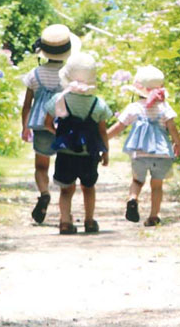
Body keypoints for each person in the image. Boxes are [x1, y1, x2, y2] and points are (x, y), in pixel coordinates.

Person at [44, 52, 112, 234]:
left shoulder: (60, 99)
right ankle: (89, 221)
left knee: (66, 190)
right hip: (88, 154)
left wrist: (61, 135)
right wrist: (105, 152)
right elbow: (102, 131)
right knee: (88, 188)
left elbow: (47, 123)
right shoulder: (98, 104)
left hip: (66, 153)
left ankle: (65, 221)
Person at [107, 65, 180, 227]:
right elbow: (172, 127)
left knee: (137, 180)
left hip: (140, 152)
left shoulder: (134, 107)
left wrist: (104, 138)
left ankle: (133, 199)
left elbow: (119, 126)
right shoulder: (164, 107)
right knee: (157, 185)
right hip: (161, 153)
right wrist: (178, 142)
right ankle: (154, 216)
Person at [20, 24, 78, 224]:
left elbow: (27, 105)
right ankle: (65, 209)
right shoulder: (69, 75)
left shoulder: (35, 74)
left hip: (40, 126)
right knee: (65, 167)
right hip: (64, 126)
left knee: (41, 166)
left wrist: (25, 126)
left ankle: (44, 193)